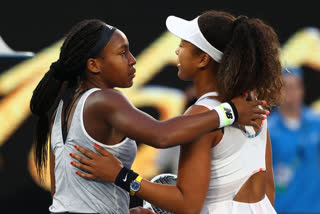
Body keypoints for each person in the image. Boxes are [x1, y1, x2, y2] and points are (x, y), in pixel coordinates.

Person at [29, 19, 267, 214]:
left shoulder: (63, 107)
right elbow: (161, 135)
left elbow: (63, 194)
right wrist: (231, 112)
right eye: (123, 53)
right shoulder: (105, 100)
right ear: (94, 65)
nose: (133, 60)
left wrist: (122, 208)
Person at [268, 66, 320, 213]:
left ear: (302, 89)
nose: (291, 92)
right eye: (286, 87)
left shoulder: (316, 123)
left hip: (313, 208)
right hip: (281, 208)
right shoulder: (268, 130)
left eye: (295, 86)